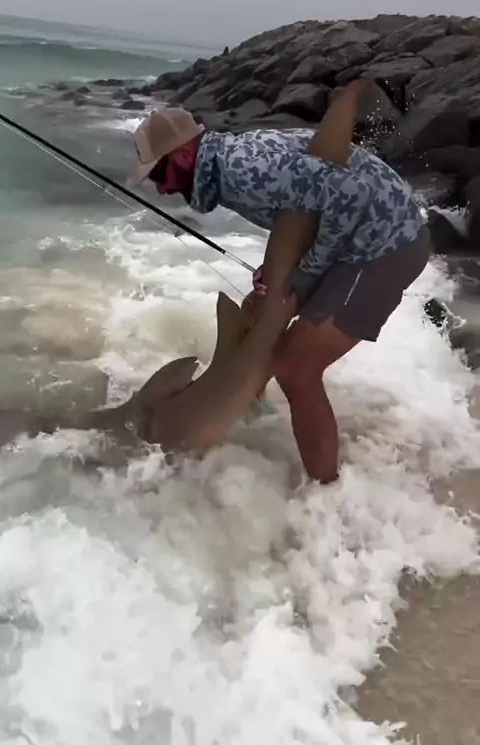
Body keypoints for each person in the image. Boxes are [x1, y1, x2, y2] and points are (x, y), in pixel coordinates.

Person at [131, 81, 430, 484]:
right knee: (257, 311)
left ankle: (328, 494)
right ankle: (243, 409)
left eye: (160, 173)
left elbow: (352, 194)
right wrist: (280, 267)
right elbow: (303, 203)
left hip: (385, 244)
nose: (162, 187)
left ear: (184, 154)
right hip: (356, 239)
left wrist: (308, 271)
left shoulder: (240, 170)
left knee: (295, 369)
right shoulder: (229, 161)